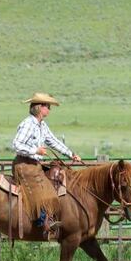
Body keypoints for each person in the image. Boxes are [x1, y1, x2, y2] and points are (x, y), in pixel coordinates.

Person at [12, 92, 82, 237]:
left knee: (53, 181)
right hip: (24, 165)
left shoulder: (42, 125)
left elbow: (53, 141)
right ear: (39, 107)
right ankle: (42, 222)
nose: (49, 109)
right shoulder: (28, 124)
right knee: (44, 190)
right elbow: (16, 144)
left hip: (35, 165)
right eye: (47, 106)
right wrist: (35, 150)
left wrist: (70, 154)